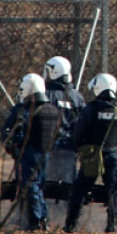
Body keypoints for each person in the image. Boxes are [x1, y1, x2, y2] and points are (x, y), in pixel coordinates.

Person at [65, 73, 117, 233]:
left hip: (92, 157)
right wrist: (115, 148)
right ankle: (112, 225)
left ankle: (71, 224)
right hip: (113, 155)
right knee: (113, 191)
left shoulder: (90, 110)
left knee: (80, 190)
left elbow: (78, 134)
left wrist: (83, 148)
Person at [1, 73, 62, 231]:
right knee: (39, 186)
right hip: (46, 153)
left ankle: (35, 220)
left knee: (30, 186)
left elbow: (9, 133)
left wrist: (13, 146)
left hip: (29, 153)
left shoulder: (23, 111)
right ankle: (42, 218)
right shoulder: (53, 110)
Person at [43, 56, 85, 185]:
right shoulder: (77, 96)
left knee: (47, 185)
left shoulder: (46, 93)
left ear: (54, 72)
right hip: (70, 148)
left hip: (49, 146)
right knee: (67, 186)